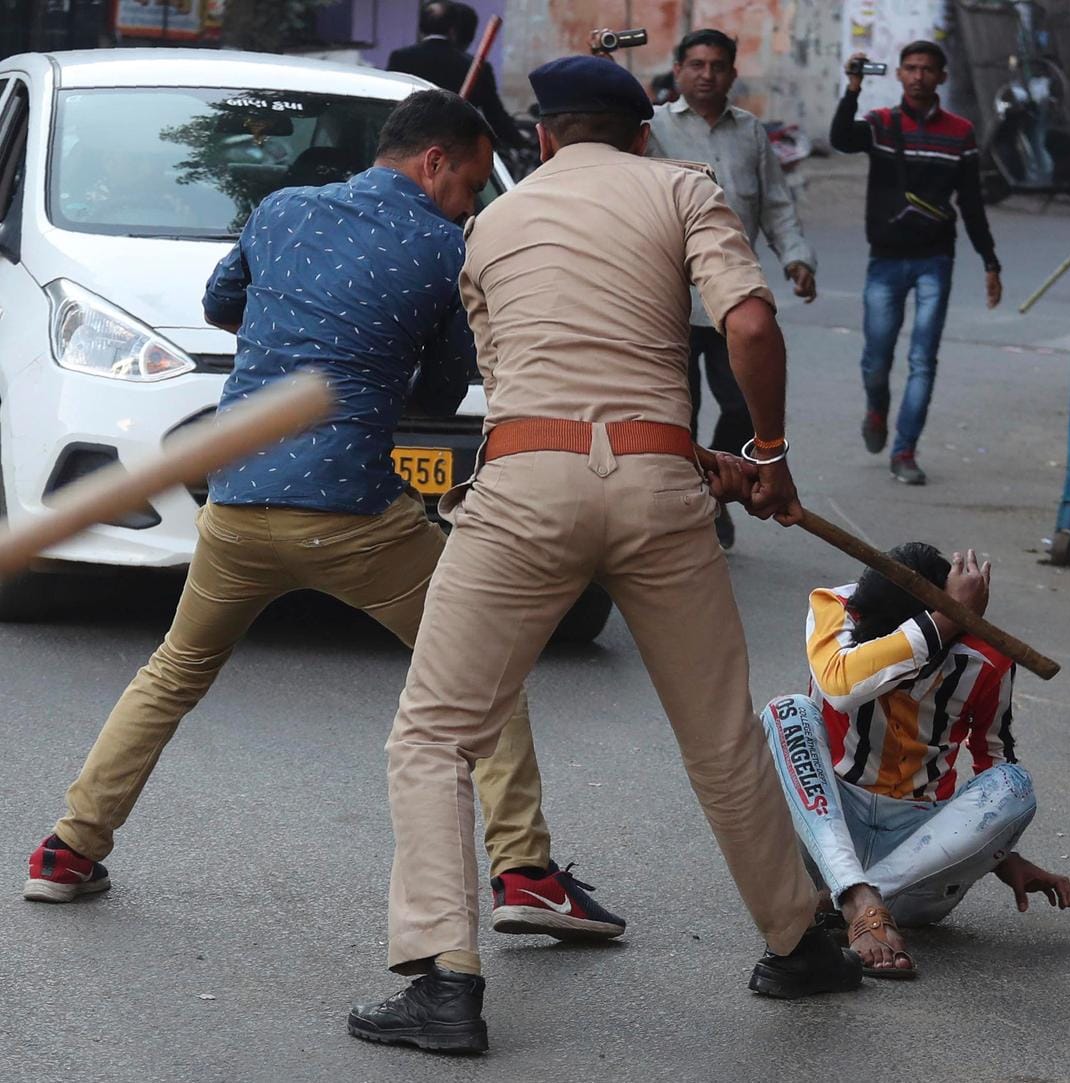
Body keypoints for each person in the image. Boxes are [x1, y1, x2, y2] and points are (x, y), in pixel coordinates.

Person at [22, 89, 626, 943]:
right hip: (357, 516)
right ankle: (524, 869)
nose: (470, 203)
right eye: (469, 186)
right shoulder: (442, 245)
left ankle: (67, 849)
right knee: (483, 672)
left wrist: (294, 323)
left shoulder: (282, 209)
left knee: (173, 672)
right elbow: (448, 384)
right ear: (435, 163)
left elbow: (221, 302)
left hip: (235, 500)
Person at [348, 58, 861, 1055]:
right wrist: (767, 457)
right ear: (640, 136)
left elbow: (529, 398)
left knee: (436, 735)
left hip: (526, 489)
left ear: (542, 138)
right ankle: (800, 942)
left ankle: (443, 983)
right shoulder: (683, 187)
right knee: (719, 732)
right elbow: (748, 323)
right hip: (661, 490)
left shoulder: (489, 223)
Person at [759, 544, 1070, 978]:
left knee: (1014, 784)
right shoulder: (836, 608)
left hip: (916, 868)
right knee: (787, 711)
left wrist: (999, 855)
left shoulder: (989, 657)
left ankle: (865, 897)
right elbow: (840, 684)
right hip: (825, 844)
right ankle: (856, 896)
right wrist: (946, 618)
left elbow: (993, 763)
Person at [648, 28, 818, 550]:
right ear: (678, 71)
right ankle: (687, 509)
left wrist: (795, 257)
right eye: (695, 64)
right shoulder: (651, 129)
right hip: (670, 301)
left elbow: (777, 206)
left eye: (717, 65)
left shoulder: (751, 133)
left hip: (730, 304)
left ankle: (714, 489)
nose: (706, 74)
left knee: (745, 407)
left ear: (732, 74)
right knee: (679, 413)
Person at [832, 41, 1001, 487]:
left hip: (934, 259)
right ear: (900, 74)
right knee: (876, 360)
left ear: (941, 76)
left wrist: (990, 262)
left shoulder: (960, 132)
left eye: (928, 69)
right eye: (911, 68)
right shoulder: (881, 123)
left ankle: (904, 449)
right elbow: (840, 140)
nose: (919, 76)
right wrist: (852, 88)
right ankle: (877, 408)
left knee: (923, 359)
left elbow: (972, 203)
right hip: (885, 259)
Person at [386, 1, 527, 154]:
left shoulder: (400, 58)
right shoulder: (475, 67)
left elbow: (388, 104)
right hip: (454, 152)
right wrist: (523, 143)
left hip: (408, 145)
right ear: (453, 30)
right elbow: (496, 118)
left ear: (420, 28)